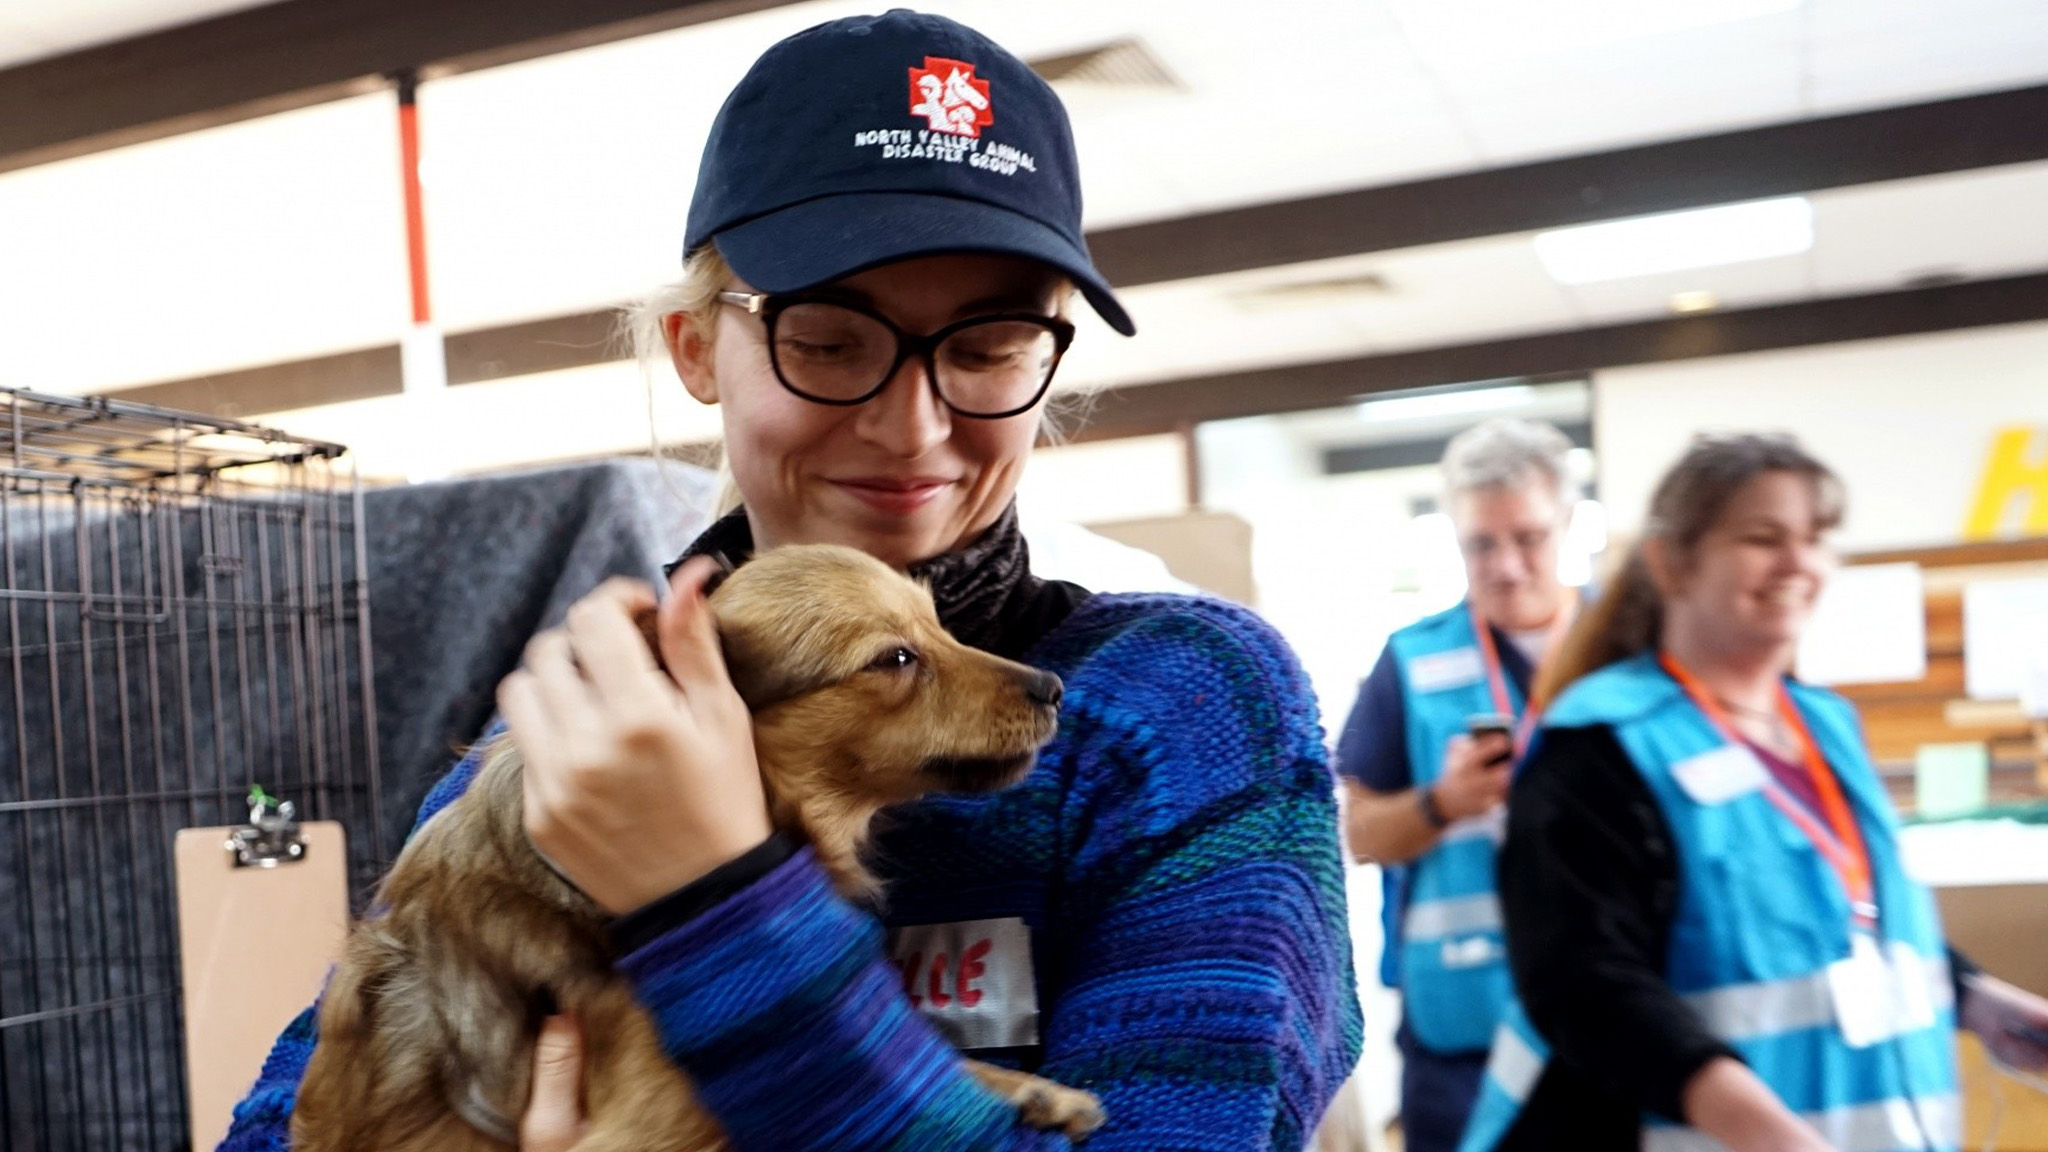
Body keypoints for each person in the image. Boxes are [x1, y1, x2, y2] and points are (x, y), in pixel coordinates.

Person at [219, 10, 1361, 1152]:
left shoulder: (1180, 711)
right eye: (827, 337)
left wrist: (713, 900)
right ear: (693, 348)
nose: (912, 428)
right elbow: (303, 1116)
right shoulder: (580, 737)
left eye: (987, 345)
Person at [1457, 432, 2048, 1152]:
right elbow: (1586, 986)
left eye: (1816, 537)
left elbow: (1843, 917)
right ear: (1672, 563)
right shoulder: (1598, 745)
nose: (1799, 563)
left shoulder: (1824, 725)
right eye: (1764, 538)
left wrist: (1982, 1002)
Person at [1333, 418, 1581, 1152]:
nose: (1505, 564)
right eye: (1480, 543)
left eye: (1529, 537)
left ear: (1568, 523)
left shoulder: (1627, 652)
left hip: (1607, 1015)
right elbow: (1352, 831)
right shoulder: (1411, 661)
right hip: (1460, 1031)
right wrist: (1442, 802)